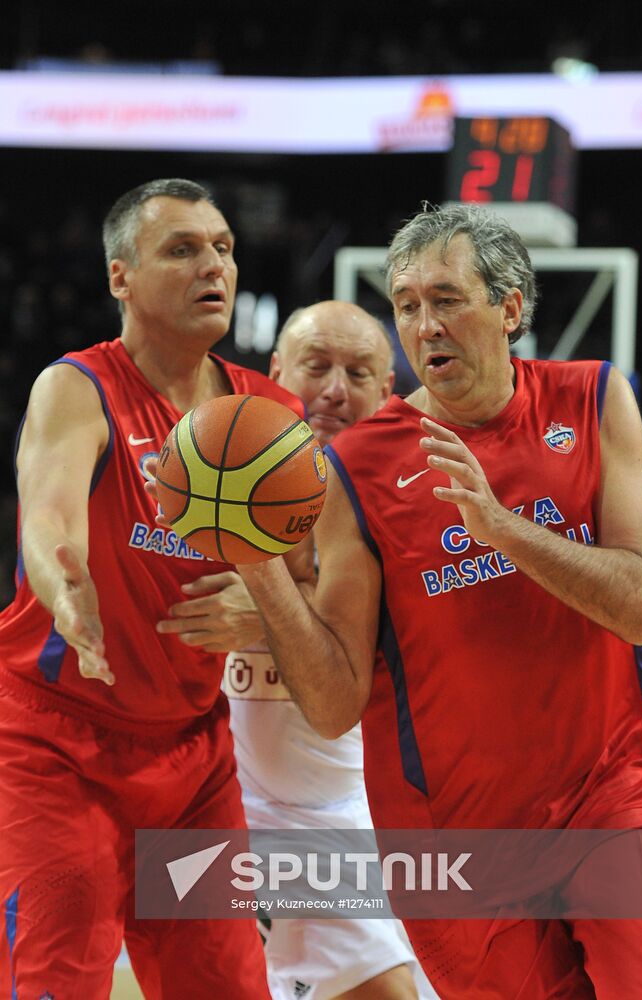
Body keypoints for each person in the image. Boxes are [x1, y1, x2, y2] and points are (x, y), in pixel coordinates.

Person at [234, 204, 642, 999]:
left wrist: (502, 530)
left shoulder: (592, 398)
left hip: (610, 794)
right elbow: (333, 705)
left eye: (446, 299)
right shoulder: (357, 468)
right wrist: (259, 569)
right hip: (454, 837)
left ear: (509, 309)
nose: (424, 324)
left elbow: (638, 603)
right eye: (406, 306)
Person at [0, 178, 309, 999]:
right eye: (182, 249)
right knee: (57, 983)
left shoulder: (270, 414)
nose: (212, 264)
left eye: (222, 249)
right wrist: (66, 587)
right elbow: (48, 516)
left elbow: (319, 587)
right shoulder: (78, 387)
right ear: (119, 277)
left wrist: (271, 611)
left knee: (229, 989)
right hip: (57, 745)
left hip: (193, 761)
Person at [157, 299, 439, 999]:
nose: (334, 390)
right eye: (315, 367)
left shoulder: (415, 504)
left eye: (358, 373)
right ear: (276, 372)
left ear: (388, 396)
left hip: (383, 821)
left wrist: (267, 613)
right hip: (254, 821)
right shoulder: (199, 477)